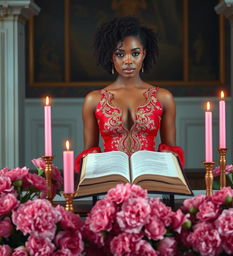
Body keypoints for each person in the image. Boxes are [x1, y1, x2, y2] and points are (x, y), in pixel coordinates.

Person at [75, 16, 184, 176]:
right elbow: (90, 157)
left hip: (150, 181)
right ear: (111, 57)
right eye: (120, 54)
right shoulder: (94, 100)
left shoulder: (163, 97)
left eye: (135, 53)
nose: (128, 61)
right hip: (109, 183)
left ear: (144, 54)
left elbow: (171, 155)